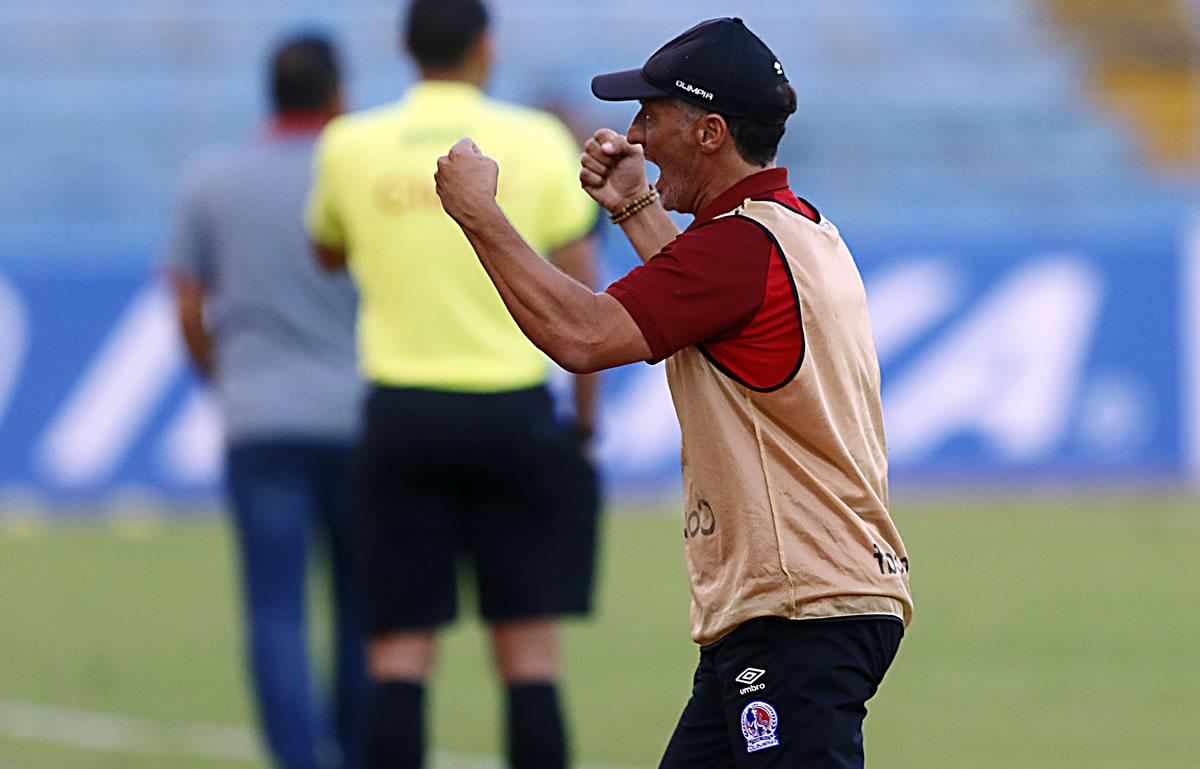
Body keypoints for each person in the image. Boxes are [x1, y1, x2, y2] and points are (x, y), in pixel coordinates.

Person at [433, 16, 913, 769]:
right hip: (806, 601)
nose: (635, 135)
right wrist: (634, 207)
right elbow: (708, 314)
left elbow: (583, 337)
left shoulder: (737, 248)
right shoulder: (796, 228)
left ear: (710, 132)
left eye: (651, 116)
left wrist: (479, 216)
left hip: (796, 609)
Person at [304, 1, 601, 767]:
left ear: (403, 45)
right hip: (515, 411)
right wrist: (584, 421)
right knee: (530, 655)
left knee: (398, 656)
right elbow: (582, 284)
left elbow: (326, 250)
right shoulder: (536, 138)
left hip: (403, 410)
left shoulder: (349, 142)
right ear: (486, 46)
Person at [165, 35, 367, 769]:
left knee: (275, 608)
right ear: (337, 94)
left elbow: (188, 305)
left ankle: (297, 758)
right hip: (361, 414)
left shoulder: (212, 179)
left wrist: (224, 378)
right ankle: (357, 751)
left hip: (260, 415)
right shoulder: (362, 172)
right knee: (361, 607)